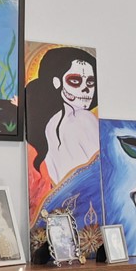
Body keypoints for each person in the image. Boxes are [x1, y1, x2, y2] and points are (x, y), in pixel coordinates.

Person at [24, 47, 99, 195]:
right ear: (56, 82)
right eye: (75, 81)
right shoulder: (84, 118)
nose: (86, 89)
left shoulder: (47, 125)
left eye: (90, 82)